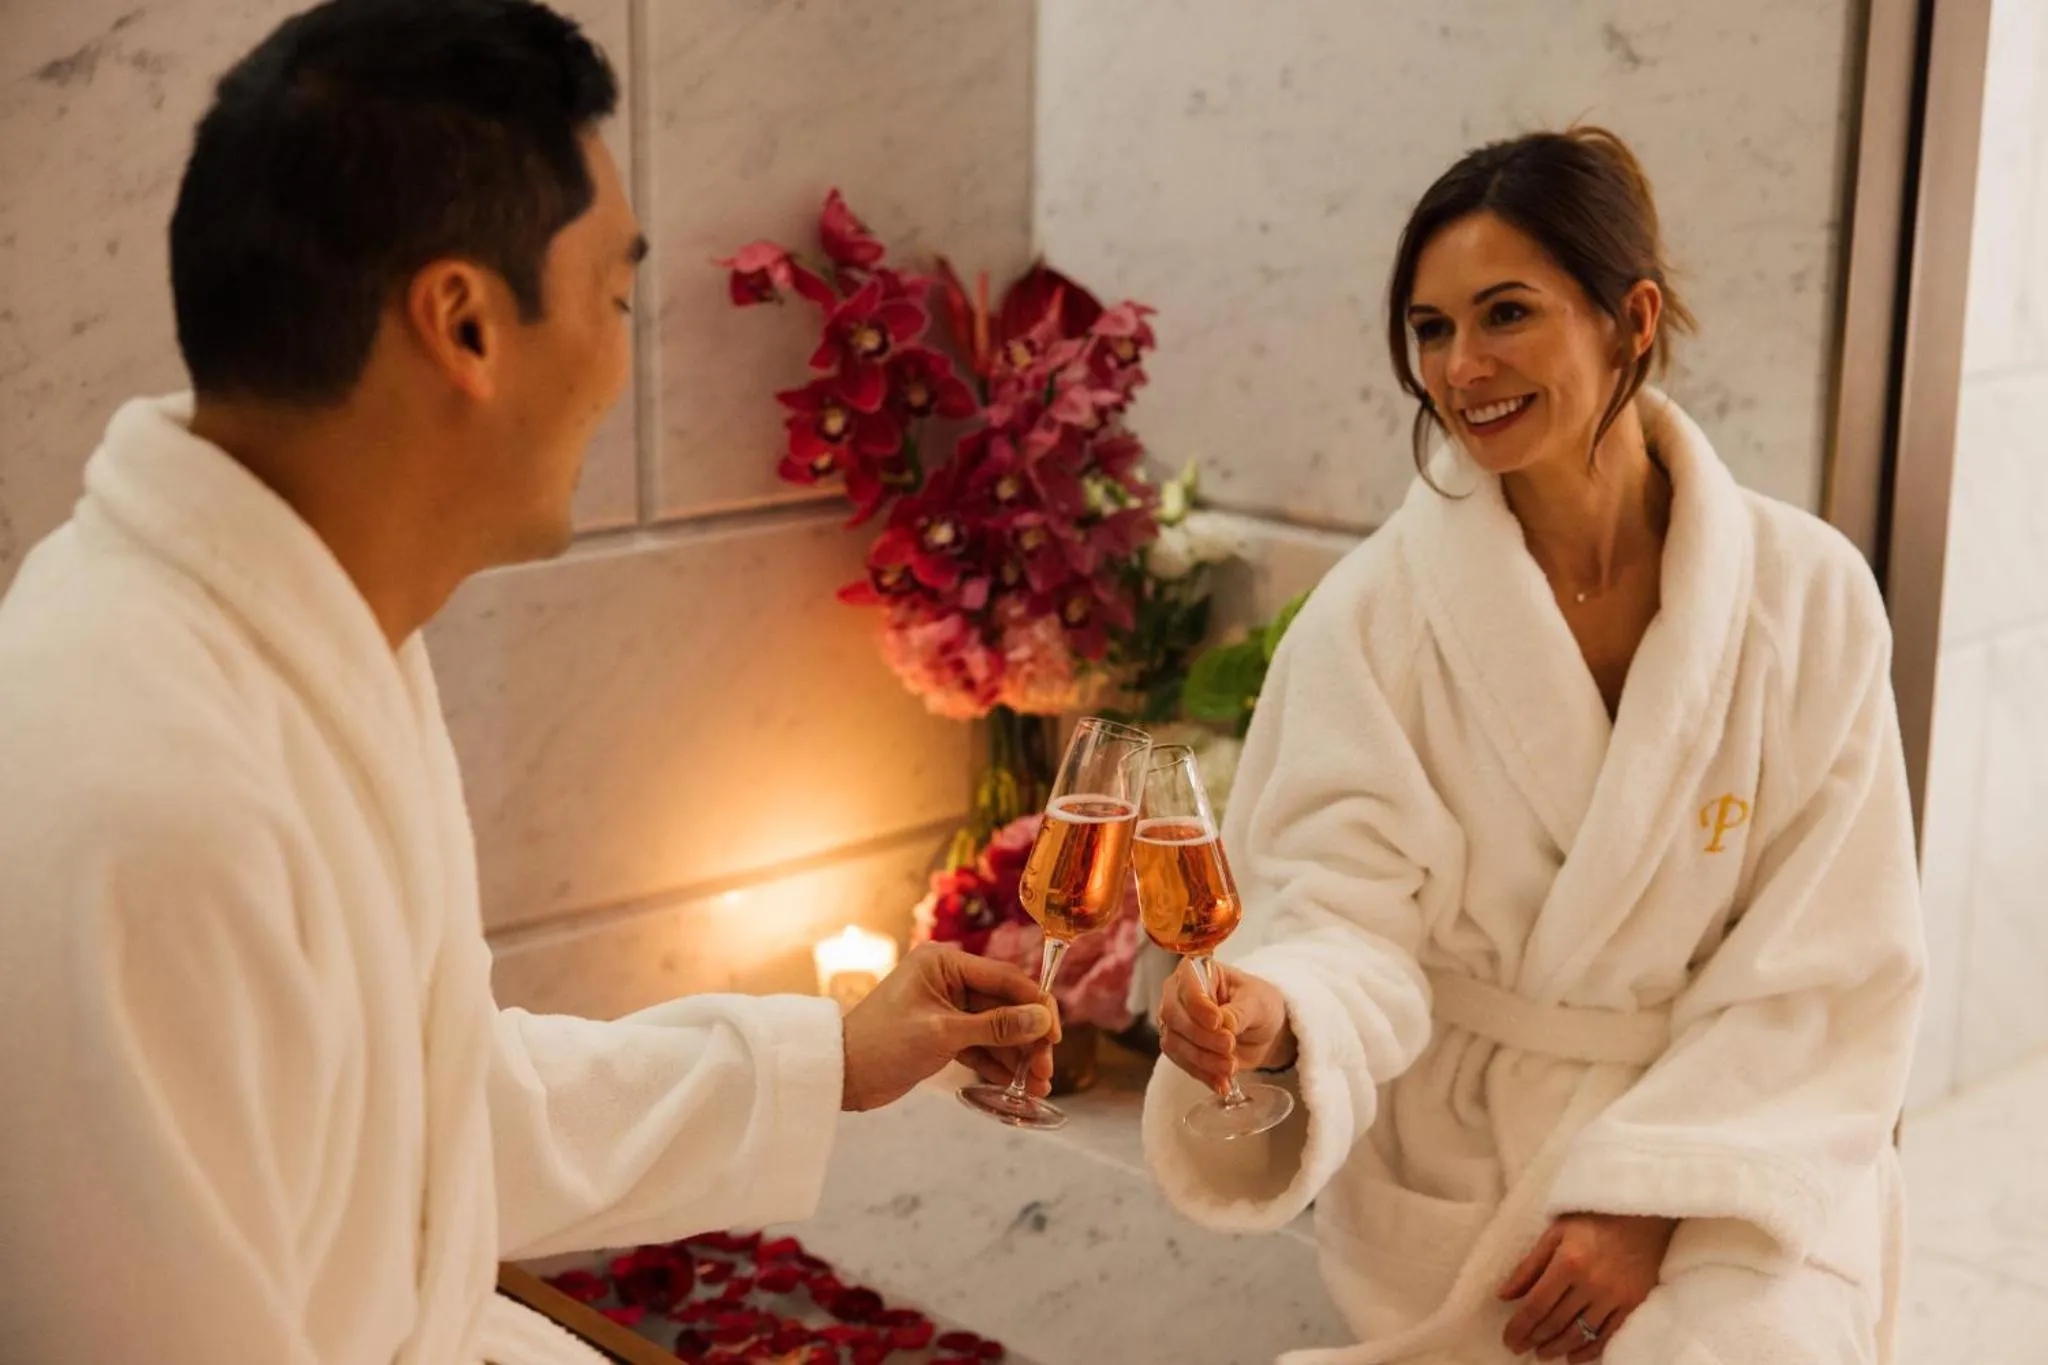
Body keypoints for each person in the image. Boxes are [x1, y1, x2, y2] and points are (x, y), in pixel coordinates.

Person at [0, 3, 1059, 1363]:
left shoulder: (307, 631)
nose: (624, 361)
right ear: (466, 324)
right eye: (615, 298)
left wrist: (835, 1059)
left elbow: (420, 1120)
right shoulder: (137, 793)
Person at [1147, 127, 1924, 1364]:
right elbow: (1341, 915)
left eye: (1504, 314)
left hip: (1734, 1130)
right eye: (1429, 329)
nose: (1462, 367)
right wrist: (1278, 1010)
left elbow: (1829, 964)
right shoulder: (1375, 617)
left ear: (1630, 317)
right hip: (1475, 1143)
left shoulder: (1806, 595)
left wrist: (1652, 1194)